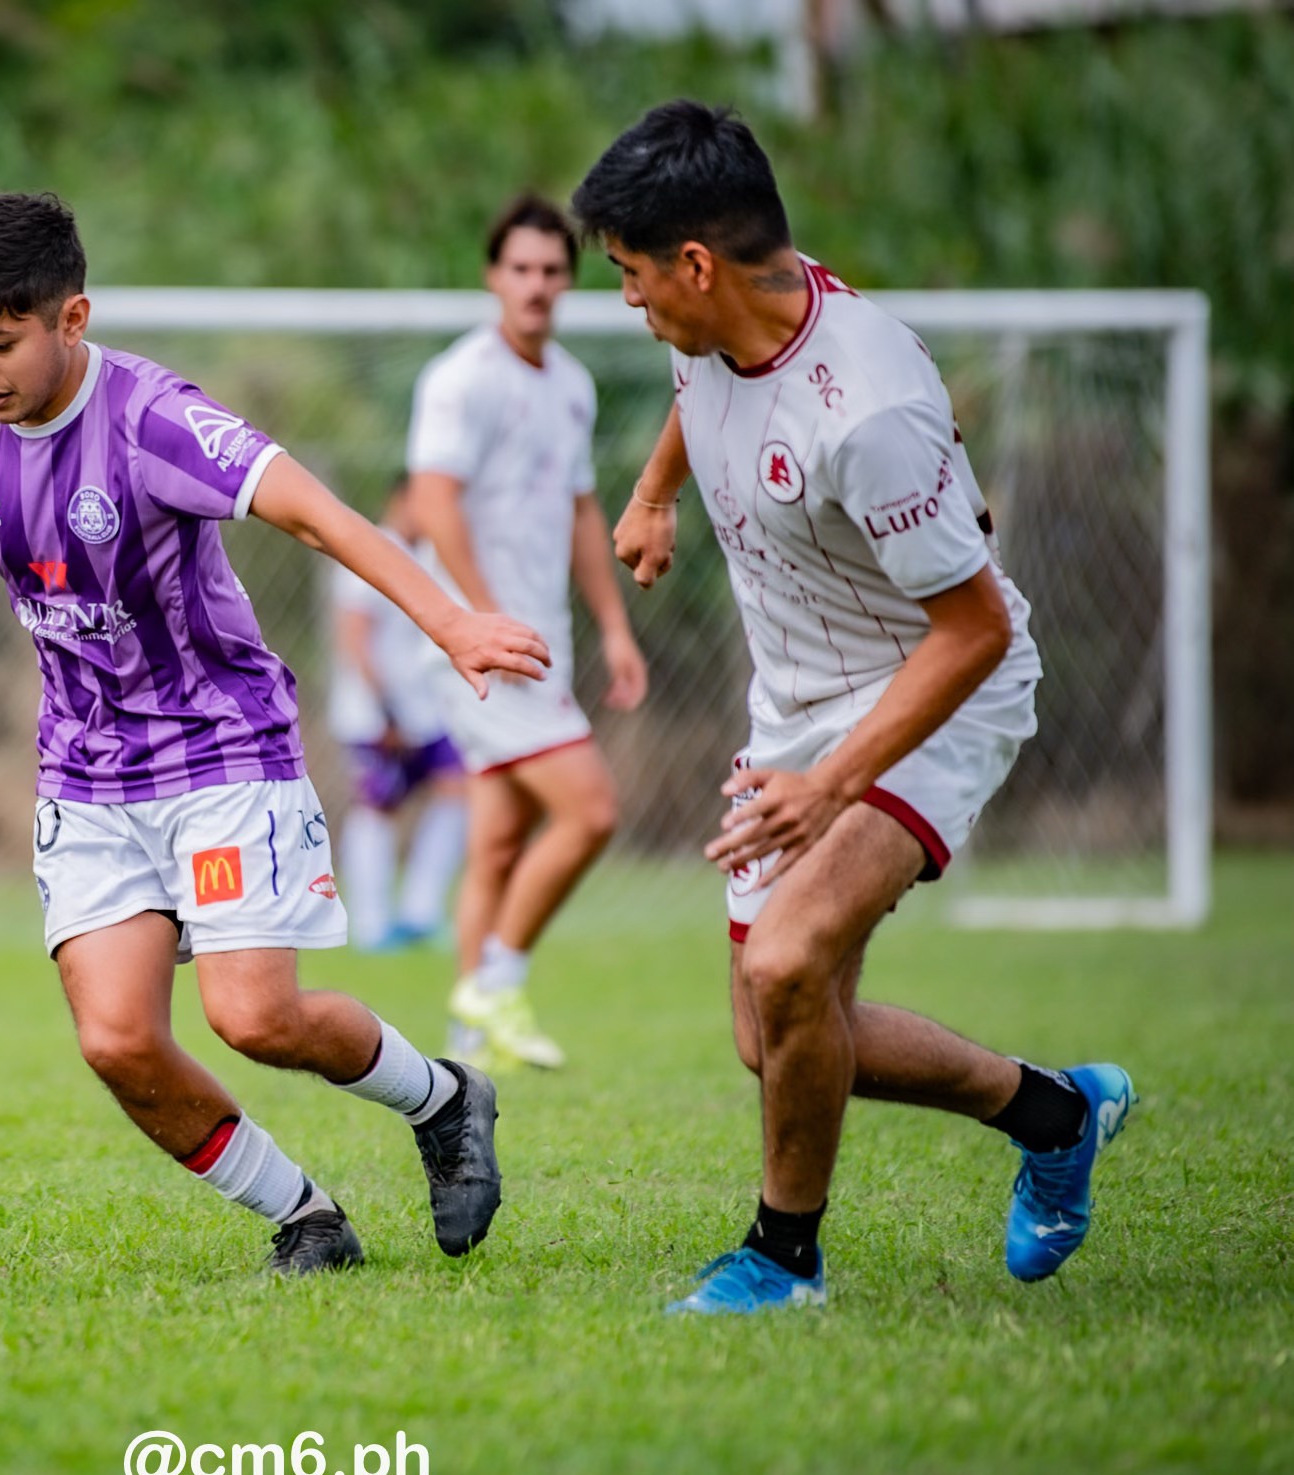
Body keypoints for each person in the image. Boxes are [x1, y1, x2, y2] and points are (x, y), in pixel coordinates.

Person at [0, 193, 550, 1276]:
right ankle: (307, 1218)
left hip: (220, 752)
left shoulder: (155, 419)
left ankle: (441, 1099)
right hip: (83, 771)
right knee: (115, 1039)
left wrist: (451, 622)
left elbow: (317, 514)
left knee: (255, 1017)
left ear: (72, 318)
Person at [573, 102, 1137, 1314]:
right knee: (772, 1035)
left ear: (693, 264)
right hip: (795, 706)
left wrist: (829, 788)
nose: (626, 300)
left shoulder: (866, 408)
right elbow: (696, 385)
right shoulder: (725, 312)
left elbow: (972, 629)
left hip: (934, 686)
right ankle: (1055, 1112)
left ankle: (781, 1260)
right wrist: (655, 493)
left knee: (786, 964)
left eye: (628, 273)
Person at [406, 192, 649, 1071]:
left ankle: (471, 1042)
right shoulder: (461, 379)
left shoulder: (572, 384)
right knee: (591, 810)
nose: (536, 284)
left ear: (568, 281)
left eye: (551, 270)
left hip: (544, 640)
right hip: (483, 649)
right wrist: (480, 619)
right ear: (493, 276)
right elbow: (433, 502)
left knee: (500, 842)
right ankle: (496, 982)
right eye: (521, 268)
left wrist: (614, 626)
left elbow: (582, 511)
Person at [325, 474, 468, 953]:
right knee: (377, 805)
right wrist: (386, 713)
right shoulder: (369, 550)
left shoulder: (426, 555)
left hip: (423, 712)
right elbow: (355, 640)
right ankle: (370, 925)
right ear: (401, 500)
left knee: (457, 787)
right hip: (376, 715)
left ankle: (421, 913)